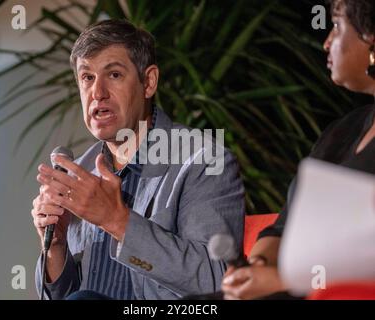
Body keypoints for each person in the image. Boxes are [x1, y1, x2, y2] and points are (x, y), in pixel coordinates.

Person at [31, 19, 245, 300]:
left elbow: (216, 281)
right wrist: (56, 245)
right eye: (87, 78)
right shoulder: (81, 171)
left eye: (114, 75)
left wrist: (116, 219)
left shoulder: (203, 161)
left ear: (149, 82)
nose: (97, 93)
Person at [221, 0, 375, 300]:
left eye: (338, 25)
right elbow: (284, 224)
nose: (326, 41)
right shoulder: (343, 129)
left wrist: (282, 281)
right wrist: (257, 265)